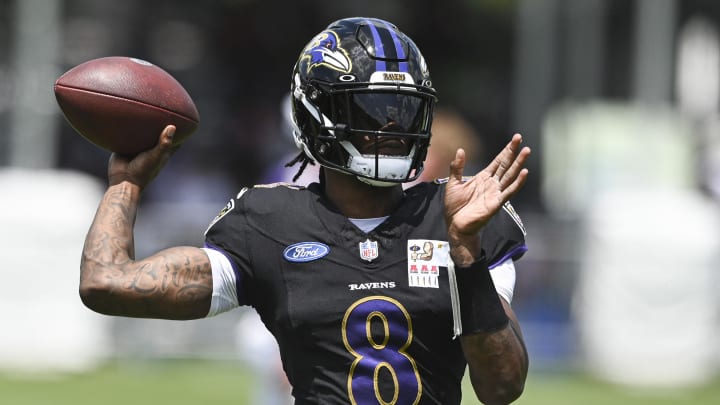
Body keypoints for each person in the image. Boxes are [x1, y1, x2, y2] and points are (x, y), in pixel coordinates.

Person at [79, 17, 531, 404]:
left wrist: (466, 256)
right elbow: (105, 282)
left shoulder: (458, 219)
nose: (393, 128)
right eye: (371, 110)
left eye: (404, 111)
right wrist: (126, 183)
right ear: (317, 116)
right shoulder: (270, 222)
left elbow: (502, 388)